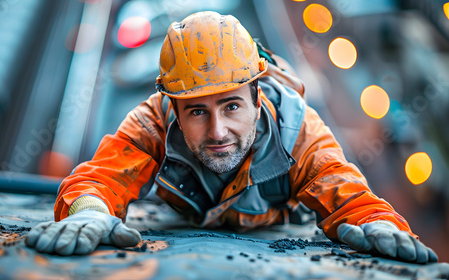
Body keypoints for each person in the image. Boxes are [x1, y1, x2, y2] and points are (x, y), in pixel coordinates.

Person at [26, 11, 438, 263]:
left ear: (258, 98)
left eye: (232, 106)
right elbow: (100, 178)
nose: (218, 131)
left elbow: (344, 189)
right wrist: (89, 212)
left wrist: (379, 223)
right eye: (198, 112)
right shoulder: (153, 122)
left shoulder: (298, 131)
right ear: (174, 109)